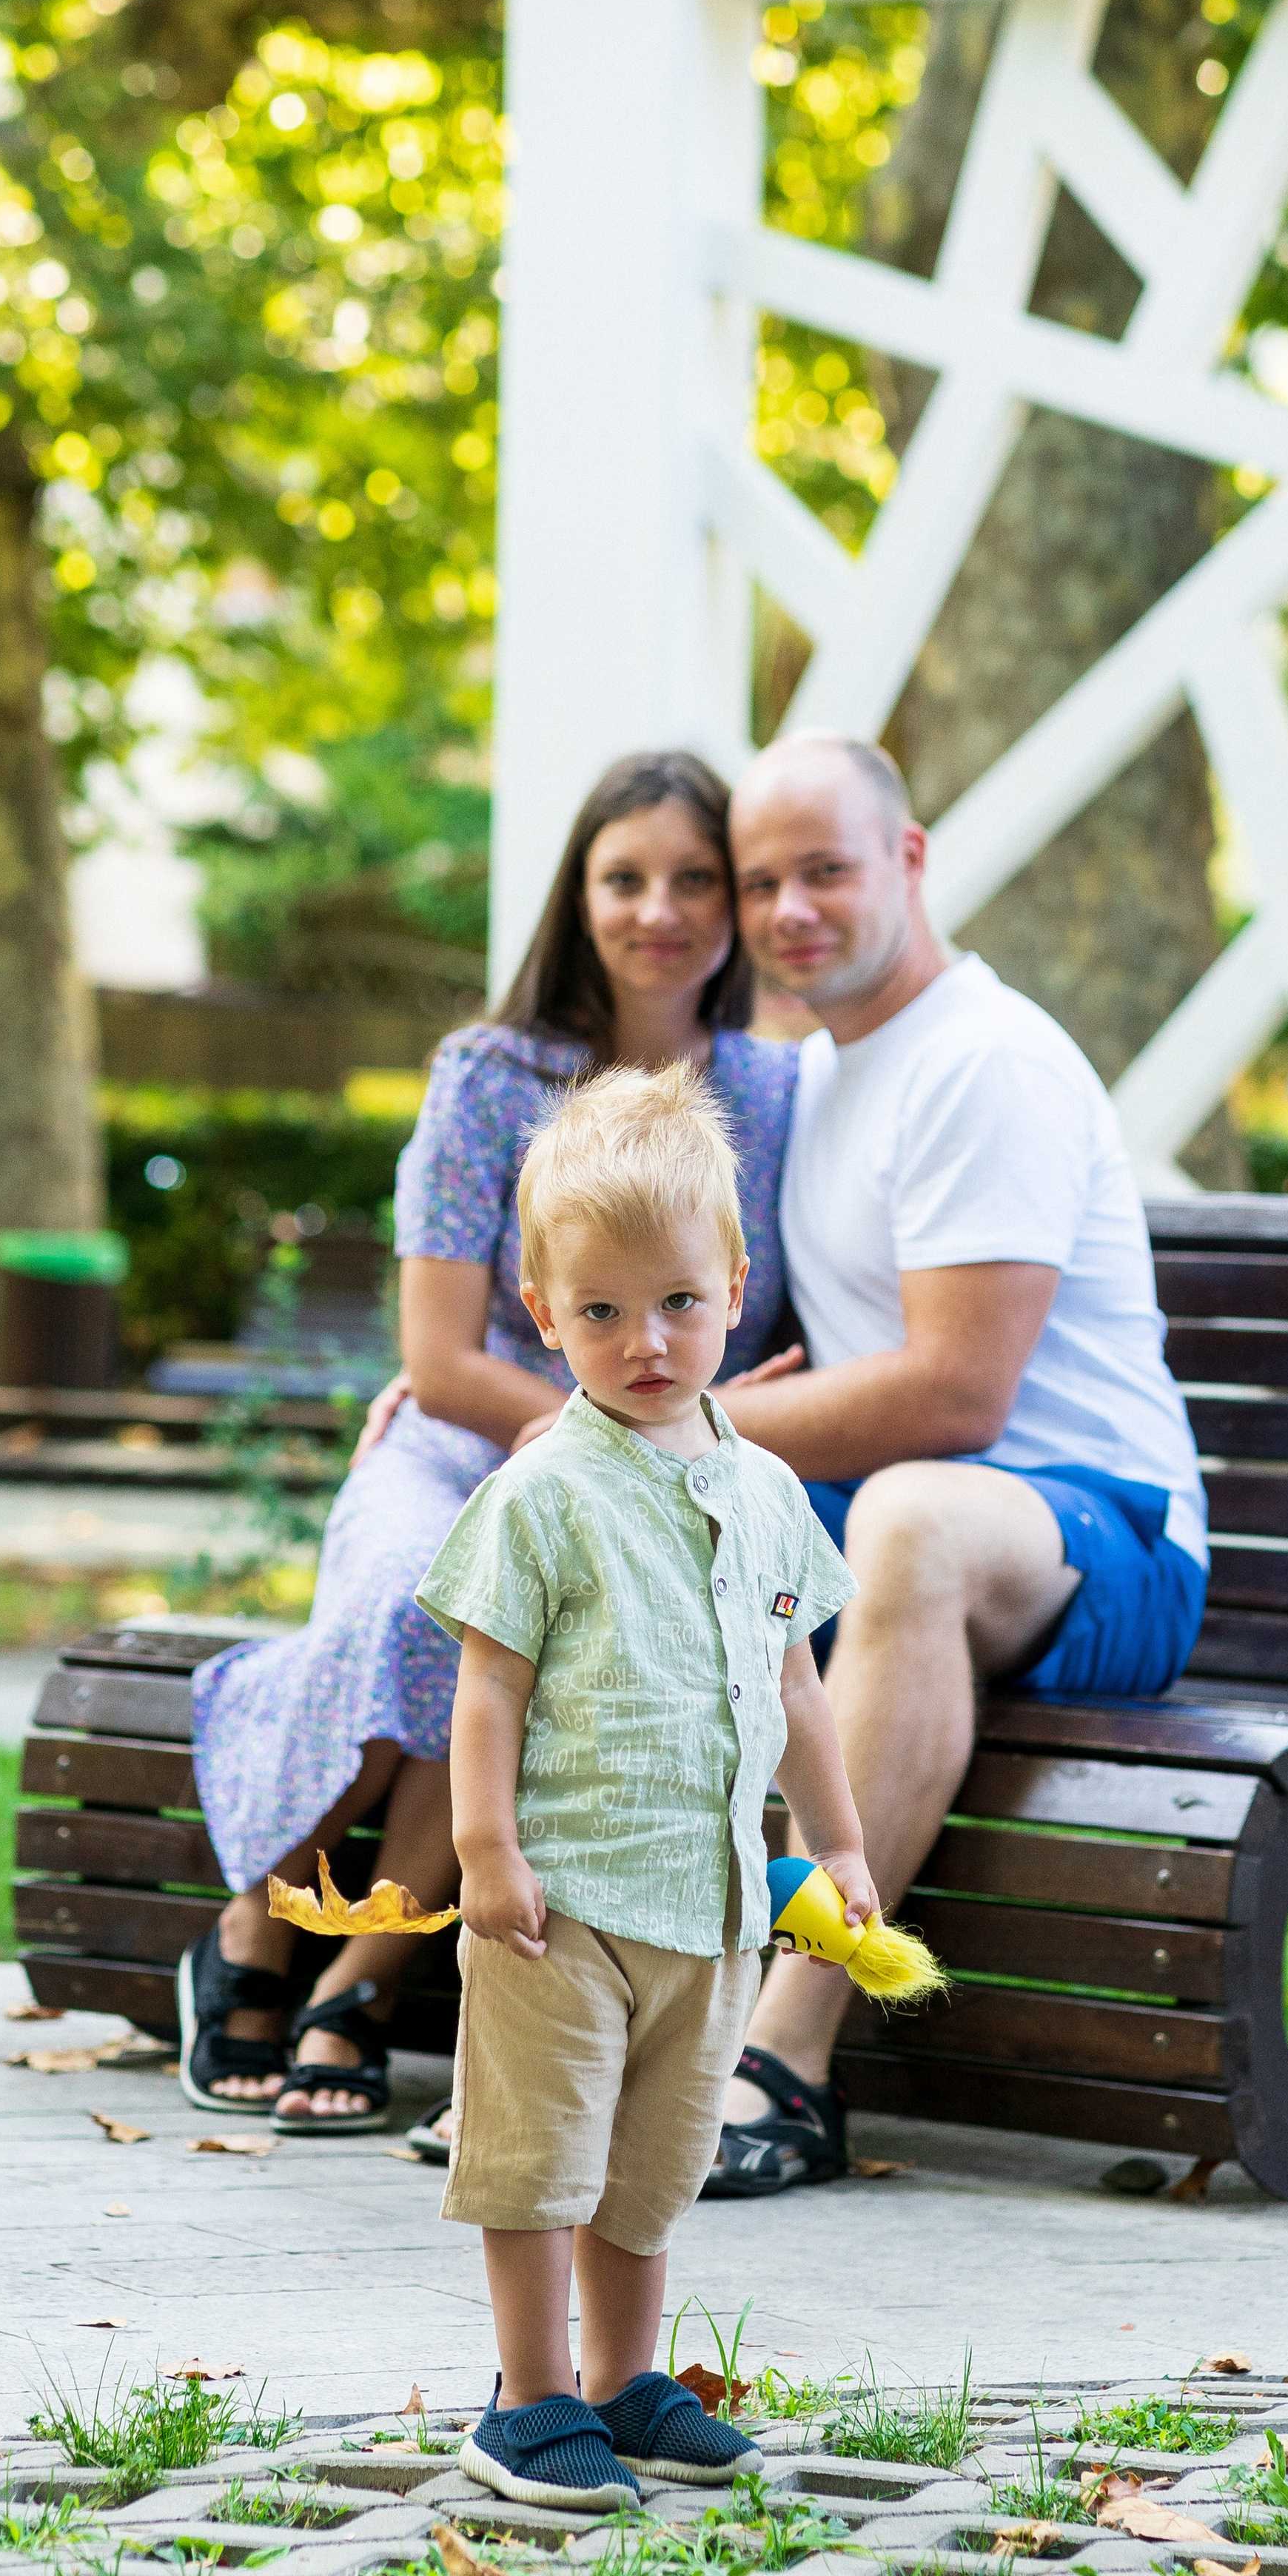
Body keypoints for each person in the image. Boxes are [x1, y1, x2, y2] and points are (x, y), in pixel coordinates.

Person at [178, 752, 800, 2136]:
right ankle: (253, 1924)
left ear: (735, 900)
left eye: (695, 879)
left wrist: (682, 1437)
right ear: (578, 896)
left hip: (652, 1462)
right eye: (625, 879)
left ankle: (359, 1979)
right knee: (423, 1600)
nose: (660, 910)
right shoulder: (488, 1073)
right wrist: (582, 1440)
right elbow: (441, 1353)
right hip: (467, 1439)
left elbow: (759, 1308)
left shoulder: (771, 1088)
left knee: (533, 1633)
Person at [701, 732, 1210, 2197]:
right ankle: (596, 2027)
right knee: (627, 1528)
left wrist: (694, 1425)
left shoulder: (983, 1060)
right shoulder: (814, 1078)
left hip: (1108, 1541)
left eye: (824, 870)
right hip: (900, 1524)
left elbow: (956, 1393)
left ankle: (785, 2063)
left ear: (908, 859)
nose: (791, 910)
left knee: (909, 1522)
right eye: (760, 884)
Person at [415, 1063, 866, 2505]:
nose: (646, 1341)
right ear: (543, 1315)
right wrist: (487, 1849)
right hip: (564, 1905)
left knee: (652, 2167)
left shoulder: (767, 1491)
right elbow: (489, 1688)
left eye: (676, 1301)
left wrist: (837, 1848)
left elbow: (797, 1686)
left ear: (734, 1289)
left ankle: (621, 2381)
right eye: (600, 1311)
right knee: (540, 2157)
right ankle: (528, 2398)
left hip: (709, 1908)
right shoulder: (543, 1493)